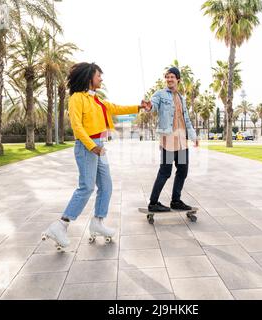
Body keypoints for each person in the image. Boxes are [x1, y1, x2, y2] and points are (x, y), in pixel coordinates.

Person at [43, 62, 149, 248]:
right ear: (89, 77)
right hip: (87, 147)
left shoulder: (95, 99)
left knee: (106, 186)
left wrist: (138, 107)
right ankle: (60, 225)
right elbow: (77, 126)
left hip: (99, 146)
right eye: (99, 75)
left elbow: (115, 108)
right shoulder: (77, 98)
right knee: (86, 187)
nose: (101, 78)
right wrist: (92, 147)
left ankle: (97, 223)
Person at [145, 67, 199, 213]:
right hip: (168, 140)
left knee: (182, 171)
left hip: (182, 141)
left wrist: (194, 137)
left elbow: (186, 119)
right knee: (165, 172)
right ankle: (153, 202)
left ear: (178, 80)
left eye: (172, 77)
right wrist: (148, 106)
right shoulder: (160, 94)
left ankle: (176, 201)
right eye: (167, 77)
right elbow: (153, 105)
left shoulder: (182, 98)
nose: (169, 79)